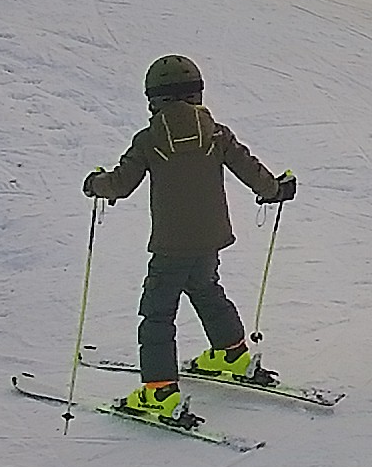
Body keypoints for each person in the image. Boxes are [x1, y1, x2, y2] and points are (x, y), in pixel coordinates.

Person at [82, 55, 296, 420]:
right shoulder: (216, 134)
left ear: (154, 98)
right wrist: (276, 189)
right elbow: (250, 169)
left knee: (157, 313)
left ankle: (160, 391)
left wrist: (95, 183)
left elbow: (120, 184)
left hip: (171, 246)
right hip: (210, 239)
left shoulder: (149, 140)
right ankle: (231, 353)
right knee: (206, 289)